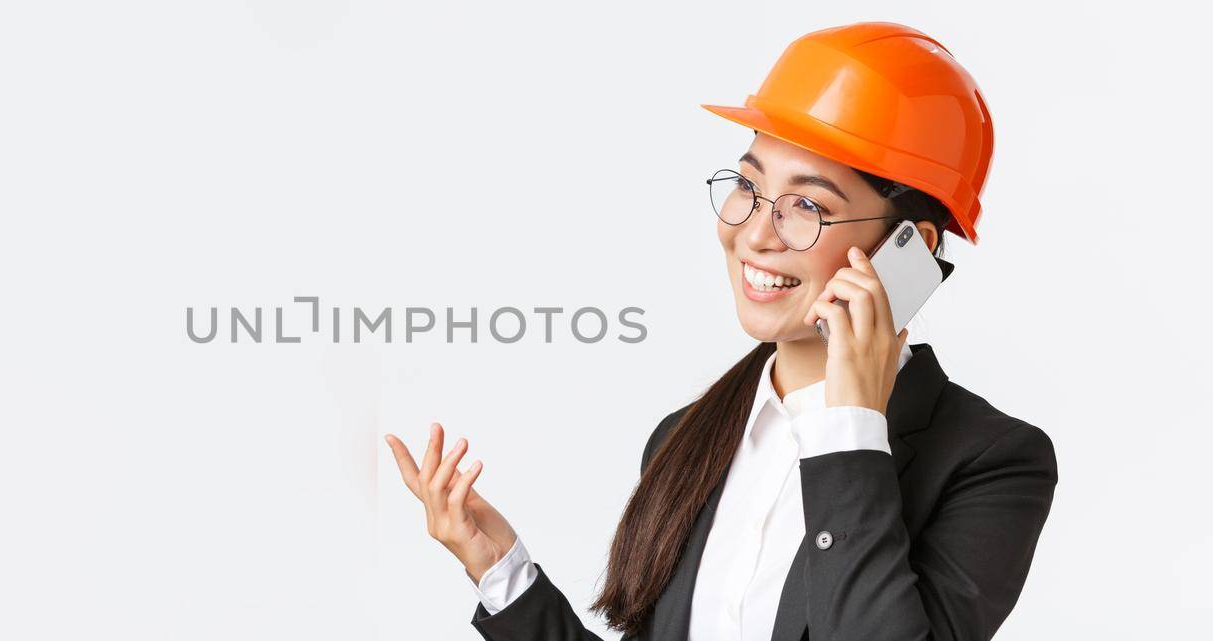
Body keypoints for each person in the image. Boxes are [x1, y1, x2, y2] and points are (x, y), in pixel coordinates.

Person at [383, 22, 1058, 641]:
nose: (755, 233)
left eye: (807, 206)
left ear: (909, 248)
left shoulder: (991, 462)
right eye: (748, 185)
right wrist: (500, 568)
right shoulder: (687, 438)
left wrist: (849, 425)